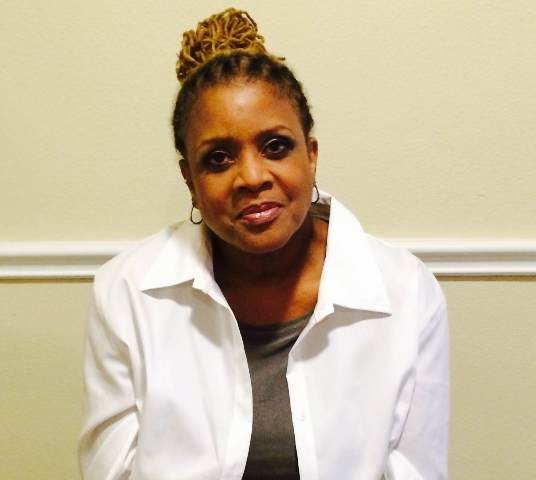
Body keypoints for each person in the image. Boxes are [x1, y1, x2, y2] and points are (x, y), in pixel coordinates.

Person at [78, 8, 449, 480]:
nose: (252, 177)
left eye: (275, 146)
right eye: (218, 158)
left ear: (311, 155)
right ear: (190, 180)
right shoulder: (126, 293)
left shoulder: (406, 292)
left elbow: (417, 470)